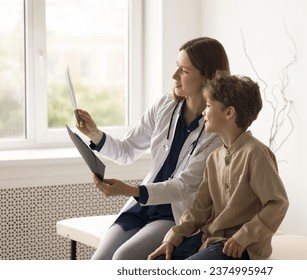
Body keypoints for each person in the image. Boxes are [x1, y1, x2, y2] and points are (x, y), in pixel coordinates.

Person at [76, 37, 230, 260]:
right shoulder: (165, 106)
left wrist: (130, 190)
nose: (174, 75)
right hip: (141, 206)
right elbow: (127, 150)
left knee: (123, 259)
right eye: (177, 66)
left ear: (208, 77)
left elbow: (184, 186)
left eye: (184, 70)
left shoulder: (216, 130)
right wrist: (94, 134)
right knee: (100, 260)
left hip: (174, 214)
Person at [148, 71, 289, 260]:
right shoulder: (213, 158)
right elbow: (201, 208)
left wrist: (243, 237)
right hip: (211, 238)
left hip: (241, 248)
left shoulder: (256, 154)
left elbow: (278, 203)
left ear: (229, 112)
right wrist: (172, 238)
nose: (204, 112)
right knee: (157, 262)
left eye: (207, 106)